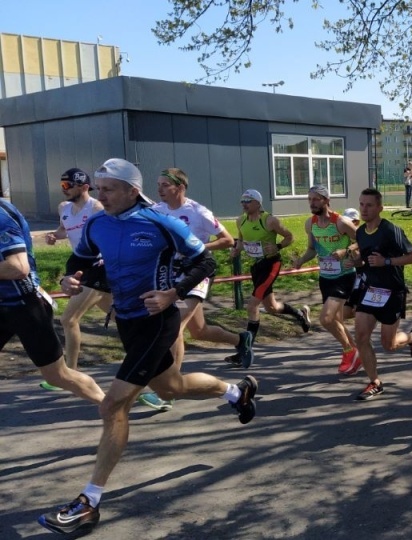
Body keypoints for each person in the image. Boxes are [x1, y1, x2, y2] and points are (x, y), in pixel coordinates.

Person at [39, 158, 257, 536]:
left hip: (159, 320)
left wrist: (173, 291)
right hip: (127, 321)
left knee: (113, 404)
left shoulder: (161, 222)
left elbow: (204, 262)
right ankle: (236, 392)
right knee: (171, 387)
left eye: (108, 189)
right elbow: (83, 260)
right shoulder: (98, 222)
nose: (100, 195)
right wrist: (69, 277)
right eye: (99, 188)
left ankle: (89, 502)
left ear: (130, 190)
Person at [141, 167, 254, 411]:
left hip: (197, 272)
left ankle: (169, 391)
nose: (159, 189)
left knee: (175, 326)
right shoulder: (157, 211)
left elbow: (227, 240)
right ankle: (240, 339)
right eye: (158, 184)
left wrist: (198, 248)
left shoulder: (198, 211)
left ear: (179, 188)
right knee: (199, 331)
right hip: (172, 273)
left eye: (164, 185)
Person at [0, 198, 105, 404]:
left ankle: (110, 406)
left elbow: (18, 267)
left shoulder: (2, 216)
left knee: (58, 376)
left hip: (24, 306)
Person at [345, 188, 412, 401]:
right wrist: (356, 262)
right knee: (361, 336)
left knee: (389, 345)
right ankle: (375, 382)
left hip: (392, 292)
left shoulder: (390, 230)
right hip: (370, 291)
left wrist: (386, 262)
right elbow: (366, 259)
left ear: (380, 207)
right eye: (361, 204)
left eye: (369, 205)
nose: (364, 209)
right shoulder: (360, 232)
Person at [42, 168, 113, 391]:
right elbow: (64, 229)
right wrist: (55, 236)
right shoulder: (63, 208)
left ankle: (69, 375)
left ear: (84, 187)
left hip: (98, 268)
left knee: (68, 319)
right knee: (125, 319)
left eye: (67, 185)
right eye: (61, 185)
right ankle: (154, 348)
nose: (63, 190)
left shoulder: (97, 208)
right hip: (81, 267)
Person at [292, 185, 362, 376]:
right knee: (337, 320)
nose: (311, 203)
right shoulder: (311, 224)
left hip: (345, 276)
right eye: (309, 200)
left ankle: (350, 351)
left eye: (315, 199)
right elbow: (312, 249)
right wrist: (300, 261)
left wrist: (346, 251)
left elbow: (363, 240)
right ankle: (358, 355)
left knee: (326, 319)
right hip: (326, 277)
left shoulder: (341, 222)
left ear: (326, 200)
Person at [231, 188, 311, 350]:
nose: (244, 204)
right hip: (256, 266)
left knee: (252, 305)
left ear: (258, 203)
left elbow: (290, 236)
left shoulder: (270, 220)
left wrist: (278, 246)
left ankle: (246, 349)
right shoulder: (241, 221)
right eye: (242, 201)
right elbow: (240, 240)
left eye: (248, 201)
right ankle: (299, 314)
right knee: (271, 307)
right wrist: (236, 250)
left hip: (271, 264)